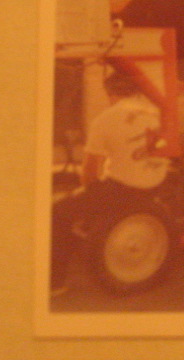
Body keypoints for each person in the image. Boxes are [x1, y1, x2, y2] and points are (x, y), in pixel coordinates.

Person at [51, 69, 169, 295]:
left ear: (110, 93)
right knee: (93, 193)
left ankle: (55, 283)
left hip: (125, 188)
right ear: (136, 91)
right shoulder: (156, 111)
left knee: (58, 211)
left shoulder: (106, 119)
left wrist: (87, 196)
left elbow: (90, 170)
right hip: (157, 182)